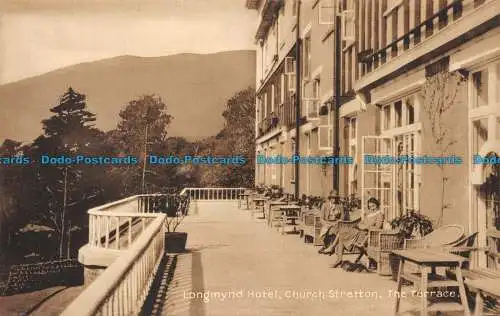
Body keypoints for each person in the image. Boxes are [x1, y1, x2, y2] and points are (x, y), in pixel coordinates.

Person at [330, 197, 384, 267]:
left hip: (368, 235)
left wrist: (366, 227)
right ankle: (338, 258)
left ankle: (336, 255)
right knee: (342, 234)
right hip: (360, 232)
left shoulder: (379, 214)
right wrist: (361, 226)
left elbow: (378, 227)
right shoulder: (369, 214)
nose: (372, 208)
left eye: (373, 206)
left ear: (377, 205)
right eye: (370, 207)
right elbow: (361, 223)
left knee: (342, 235)